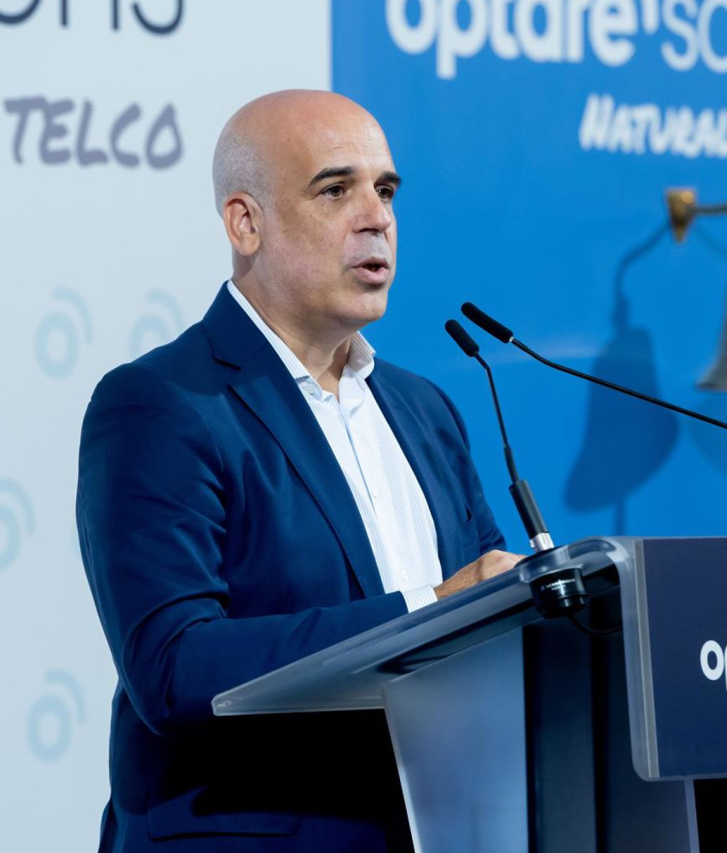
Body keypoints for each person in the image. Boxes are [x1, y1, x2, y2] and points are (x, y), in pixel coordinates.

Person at [76, 90, 522, 853]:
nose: (377, 217)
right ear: (245, 223)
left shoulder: (425, 408)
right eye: (335, 189)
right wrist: (432, 609)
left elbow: (492, 618)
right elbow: (174, 667)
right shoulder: (162, 405)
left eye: (386, 190)